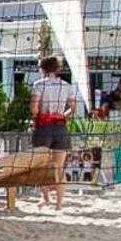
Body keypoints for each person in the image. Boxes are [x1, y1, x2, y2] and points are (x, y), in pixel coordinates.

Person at [30, 56, 80, 209]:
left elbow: (34, 109)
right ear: (57, 68)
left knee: (41, 165)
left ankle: (46, 197)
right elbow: (73, 108)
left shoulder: (39, 84)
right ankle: (59, 203)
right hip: (60, 127)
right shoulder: (66, 85)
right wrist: (62, 115)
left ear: (42, 68)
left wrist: (36, 116)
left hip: (43, 127)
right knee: (59, 167)